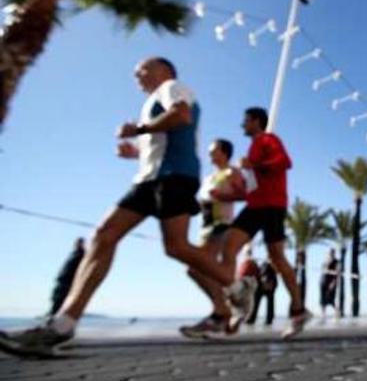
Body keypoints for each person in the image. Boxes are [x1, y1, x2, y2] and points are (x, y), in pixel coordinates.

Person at [0, 57, 242, 357]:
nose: (136, 74)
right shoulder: (155, 99)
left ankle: (237, 285)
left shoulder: (171, 87)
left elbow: (181, 117)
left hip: (173, 176)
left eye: (142, 68)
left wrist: (137, 130)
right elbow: (161, 140)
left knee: (176, 246)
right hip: (150, 178)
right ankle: (63, 323)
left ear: (163, 69)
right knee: (104, 235)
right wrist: (136, 151)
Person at [181, 107, 310, 340]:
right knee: (230, 247)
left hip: (272, 205)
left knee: (277, 258)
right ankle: (236, 300)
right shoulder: (253, 146)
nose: (242, 125)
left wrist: (254, 166)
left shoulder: (269, 139)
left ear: (257, 122)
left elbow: (285, 162)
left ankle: (298, 310)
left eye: (246, 121)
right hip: (255, 205)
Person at [180, 139, 246, 338]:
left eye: (213, 151)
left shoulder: (231, 172)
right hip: (206, 228)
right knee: (200, 271)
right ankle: (225, 311)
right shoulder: (209, 177)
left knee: (196, 268)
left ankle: (221, 313)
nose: (209, 155)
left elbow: (244, 195)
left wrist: (222, 196)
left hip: (222, 226)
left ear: (224, 153)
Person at [48, 238, 86, 316]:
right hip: (62, 279)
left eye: (80, 243)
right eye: (77, 243)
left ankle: (55, 316)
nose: (77, 244)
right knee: (55, 297)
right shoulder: (74, 253)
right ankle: (52, 314)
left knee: (60, 299)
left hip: (67, 281)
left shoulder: (81, 254)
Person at [247, 261, 277, 325]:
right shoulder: (262, 266)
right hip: (260, 287)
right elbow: (257, 276)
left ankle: (269, 319)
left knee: (269, 303)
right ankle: (252, 318)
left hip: (269, 287)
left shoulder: (273, 267)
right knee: (256, 302)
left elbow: (275, 279)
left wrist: (272, 286)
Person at [319, 248, 339, 317]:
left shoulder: (336, 261)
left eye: (332, 252)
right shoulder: (325, 261)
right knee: (322, 299)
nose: (330, 254)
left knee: (331, 299)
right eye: (329, 252)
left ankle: (337, 313)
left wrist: (333, 283)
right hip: (323, 281)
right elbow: (322, 270)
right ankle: (323, 314)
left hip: (330, 282)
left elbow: (337, 273)